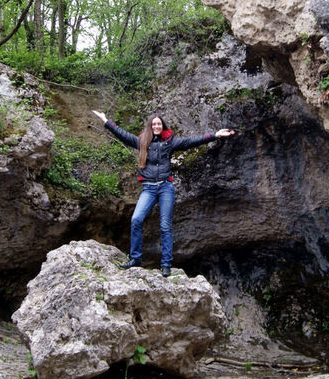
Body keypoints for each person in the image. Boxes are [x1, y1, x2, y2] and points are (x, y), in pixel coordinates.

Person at [92, 110, 235, 277]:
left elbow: (191, 141)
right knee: (136, 219)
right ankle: (136, 258)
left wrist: (215, 135)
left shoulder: (170, 143)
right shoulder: (142, 142)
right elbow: (122, 134)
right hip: (149, 189)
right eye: (154, 124)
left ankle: (166, 264)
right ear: (150, 127)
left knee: (165, 226)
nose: (156, 126)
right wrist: (106, 120)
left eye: (159, 124)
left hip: (166, 188)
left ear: (162, 125)